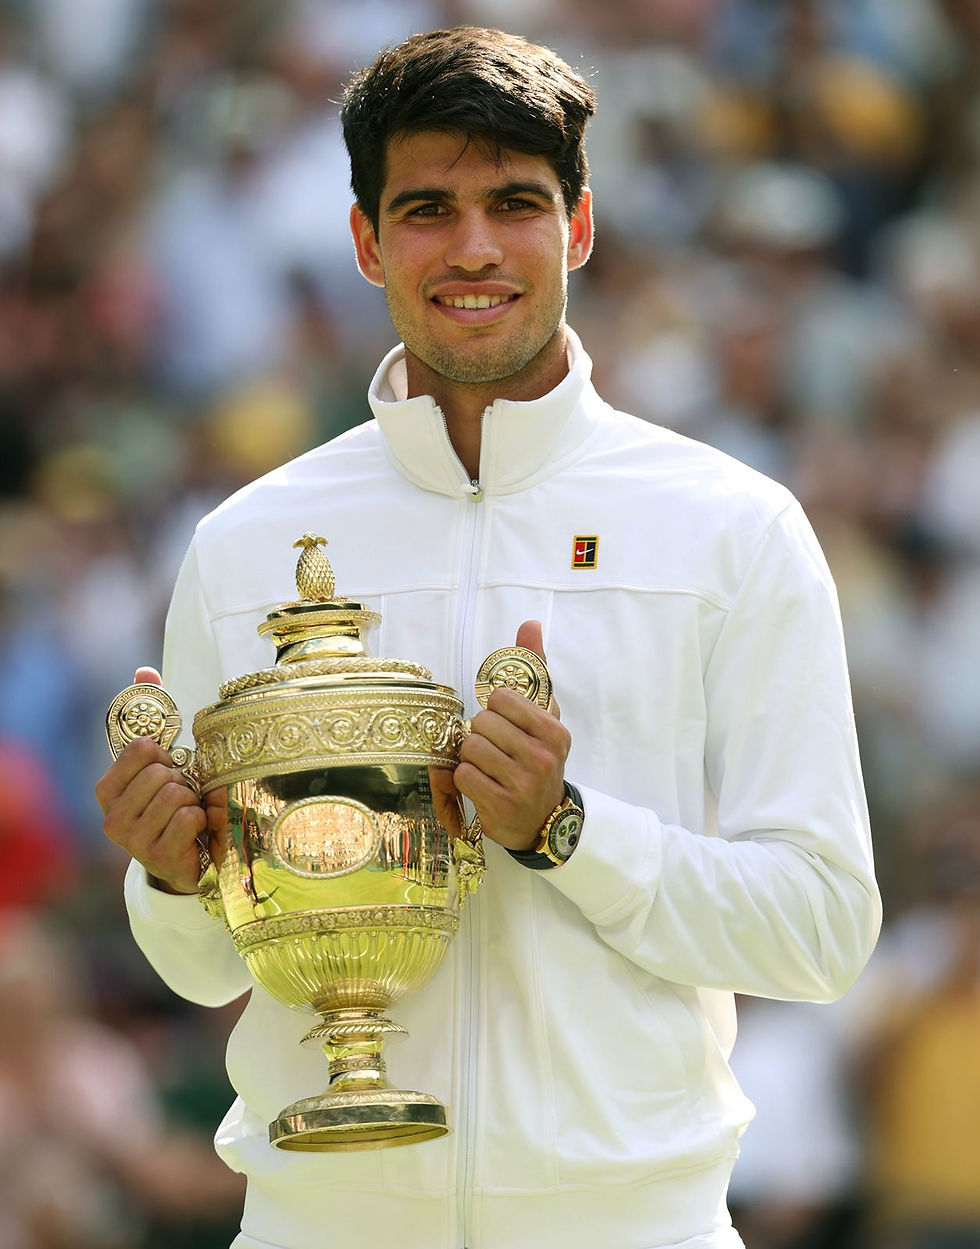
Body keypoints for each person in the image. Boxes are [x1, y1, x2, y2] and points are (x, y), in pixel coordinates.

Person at [95, 26, 881, 1249]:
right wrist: (172, 872)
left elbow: (820, 928)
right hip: (319, 1222)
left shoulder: (731, 528)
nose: (471, 249)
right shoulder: (248, 545)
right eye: (426, 209)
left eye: (513, 202)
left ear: (576, 225)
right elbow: (203, 965)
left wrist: (565, 831)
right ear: (365, 242)